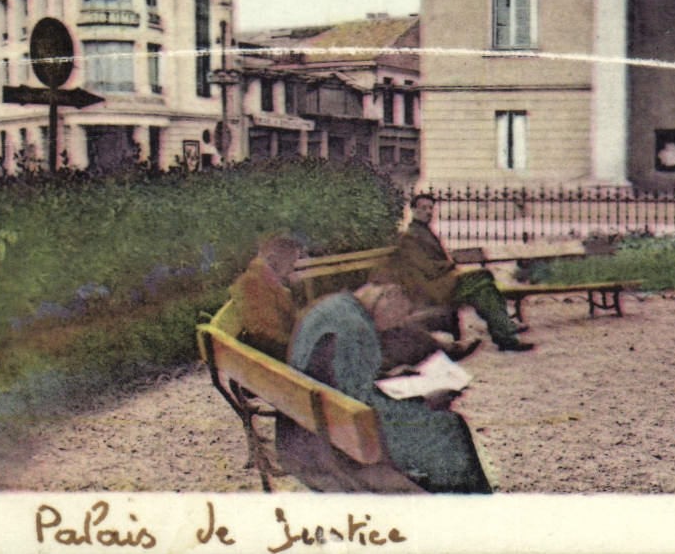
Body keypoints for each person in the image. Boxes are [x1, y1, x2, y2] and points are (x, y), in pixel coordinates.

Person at [282, 288, 494, 493]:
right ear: (390, 294)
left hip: (310, 426)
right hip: (339, 439)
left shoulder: (334, 307)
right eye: (402, 312)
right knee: (451, 427)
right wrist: (424, 402)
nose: (399, 322)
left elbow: (343, 379)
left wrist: (388, 379)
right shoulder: (358, 329)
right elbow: (366, 410)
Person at [383, 194, 533, 352]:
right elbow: (428, 268)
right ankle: (505, 330)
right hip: (432, 289)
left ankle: (506, 336)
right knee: (482, 277)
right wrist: (450, 265)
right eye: (423, 208)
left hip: (443, 284)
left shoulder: (424, 232)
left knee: (485, 290)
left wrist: (450, 268)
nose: (428, 212)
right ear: (413, 210)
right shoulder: (410, 237)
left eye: (430, 208)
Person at [228, 234, 303, 358]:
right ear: (273, 260)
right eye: (290, 264)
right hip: (274, 357)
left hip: (278, 350)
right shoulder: (253, 284)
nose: (291, 270)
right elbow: (265, 333)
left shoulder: (264, 280)